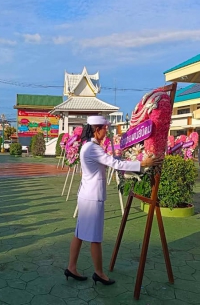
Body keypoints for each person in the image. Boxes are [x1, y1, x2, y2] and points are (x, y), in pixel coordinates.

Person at [65, 116, 162, 285]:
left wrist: (132, 161)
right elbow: (114, 164)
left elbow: (113, 161)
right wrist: (141, 163)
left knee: (80, 233)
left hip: (87, 195)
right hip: (92, 197)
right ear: (97, 129)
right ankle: (99, 273)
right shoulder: (92, 149)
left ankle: (72, 267)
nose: (106, 132)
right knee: (95, 237)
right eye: (105, 128)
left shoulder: (89, 146)